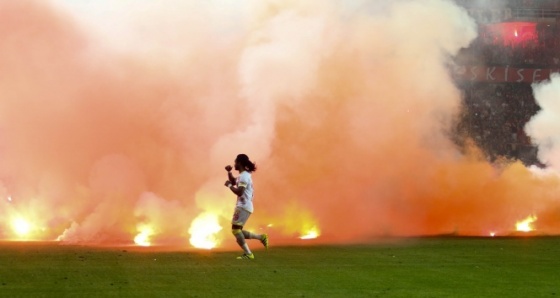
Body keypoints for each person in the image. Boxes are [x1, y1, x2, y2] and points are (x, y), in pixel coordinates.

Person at [224, 154, 268, 259]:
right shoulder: (243, 175)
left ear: (239, 163)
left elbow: (239, 192)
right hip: (244, 205)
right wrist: (229, 172)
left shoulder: (244, 176)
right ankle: (261, 237)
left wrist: (229, 185)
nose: (234, 164)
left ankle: (249, 254)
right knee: (237, 230)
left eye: (235, 162)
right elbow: (234, 181)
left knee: (235, 230)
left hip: (243, 206)